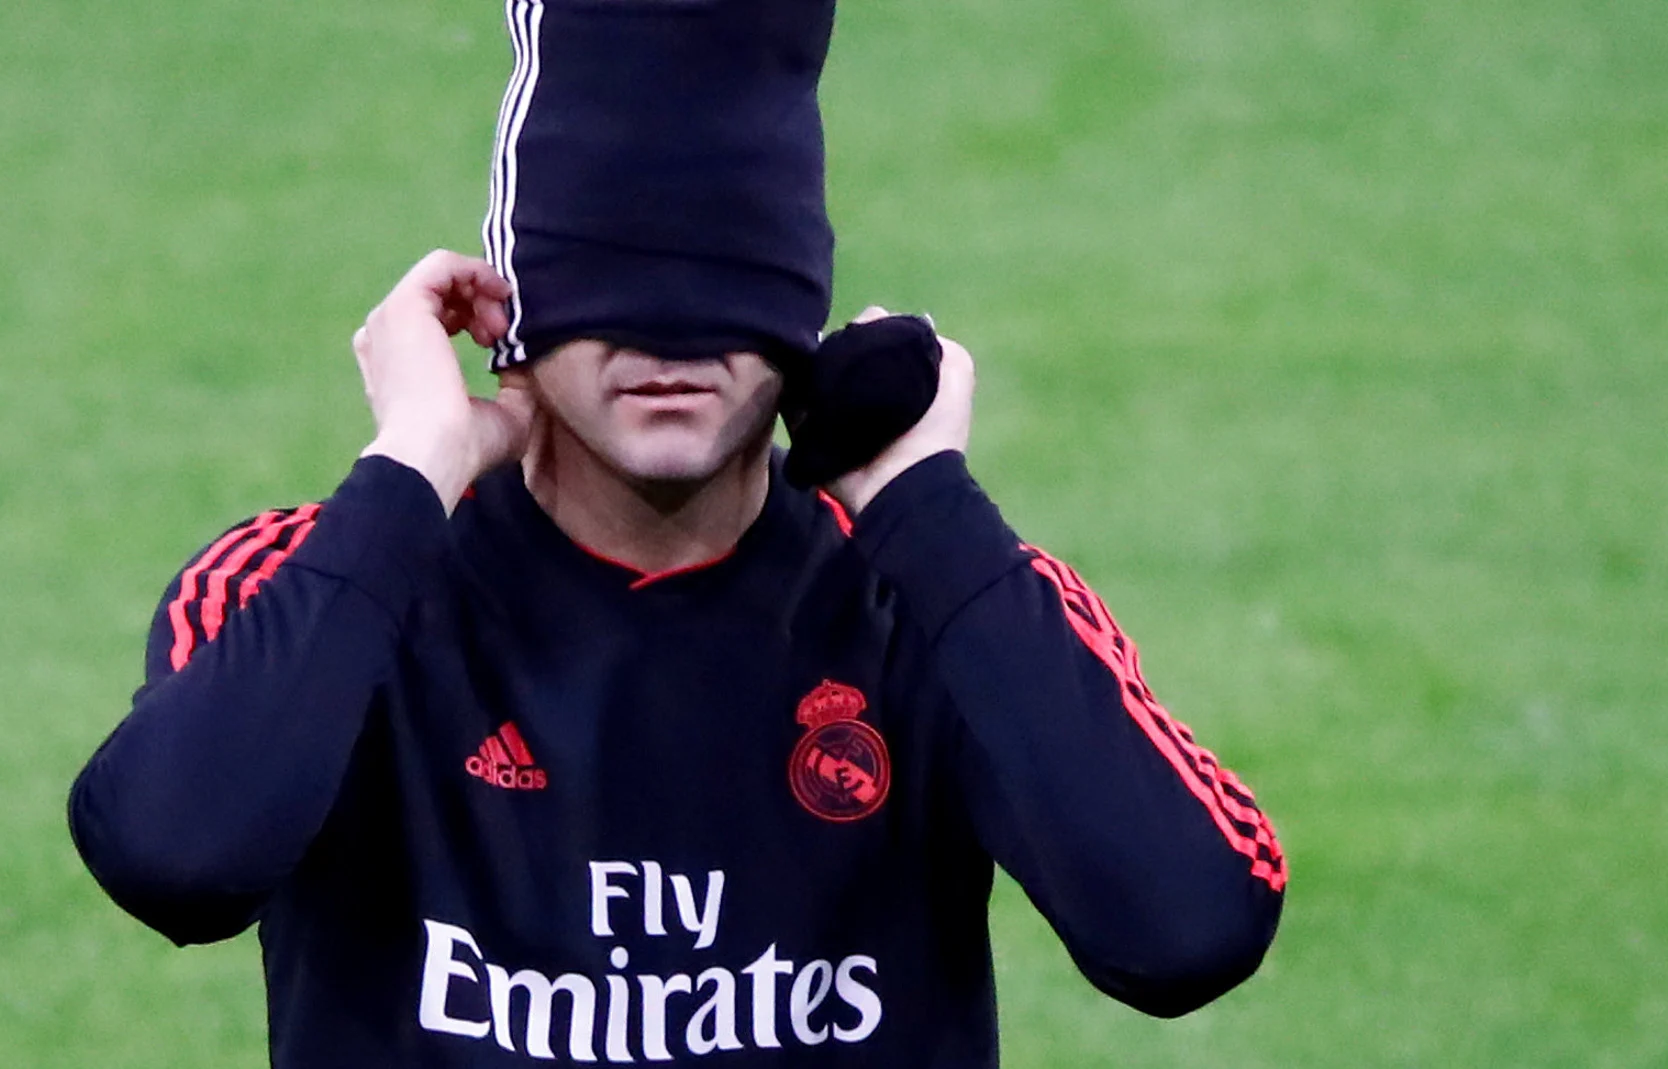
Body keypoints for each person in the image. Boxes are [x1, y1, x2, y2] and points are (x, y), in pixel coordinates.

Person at [69, 1, 1285, 1065]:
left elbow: (1186, 932)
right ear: (511, 309)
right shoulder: (327, 582)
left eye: (727, 282)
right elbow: (176, 857)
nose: (670, 342)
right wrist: (408, 470)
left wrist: (930, 513)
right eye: (612, 283)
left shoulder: (936, 599)